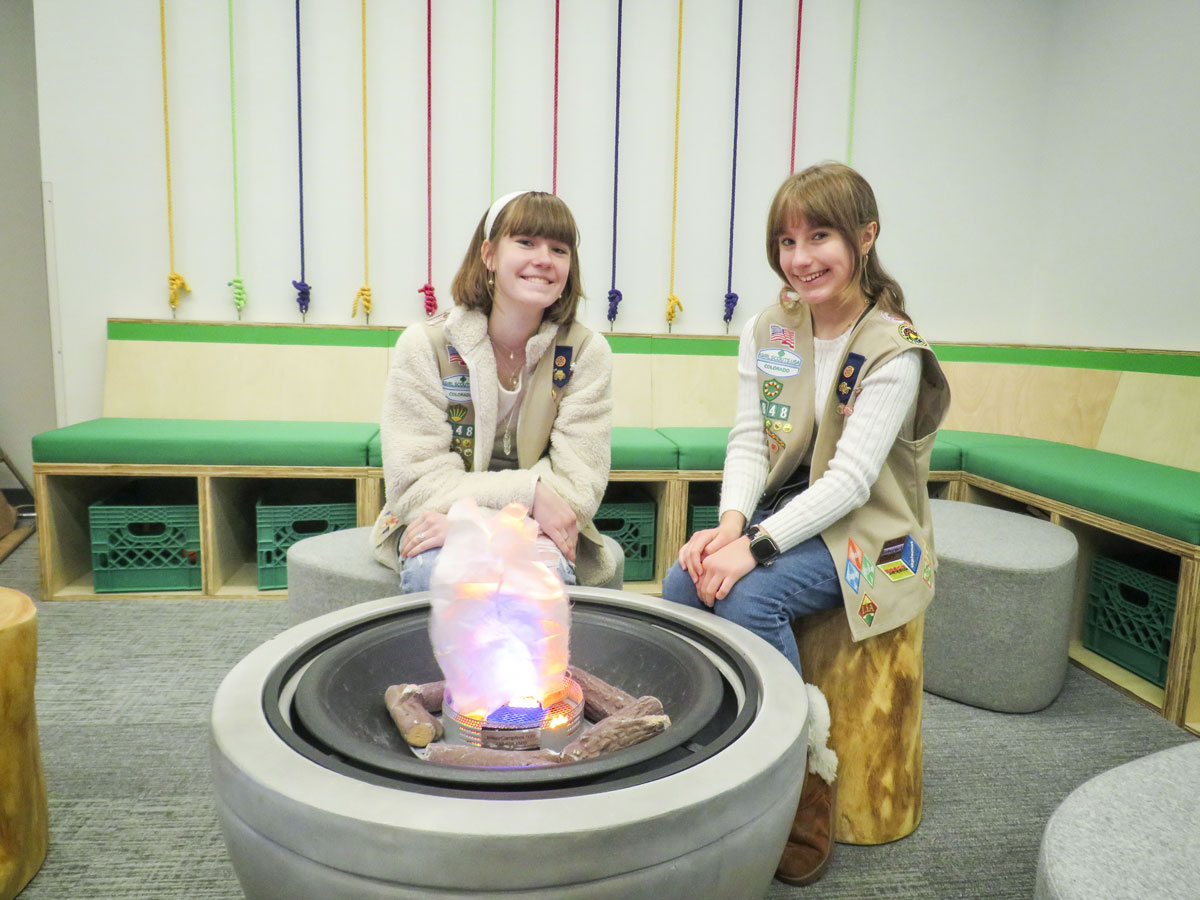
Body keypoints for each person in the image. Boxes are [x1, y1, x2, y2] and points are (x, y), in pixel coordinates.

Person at [662, 162, 950, 885]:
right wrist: (729, 527)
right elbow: (749, 439)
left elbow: (853, 483)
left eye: (819, 236)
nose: (801, 257)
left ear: (865, 236)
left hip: (877, 538)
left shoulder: (893, 347)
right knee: (681, 581)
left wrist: (754, 551)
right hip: (786, 512)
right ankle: (719, 750)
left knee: (754, 595)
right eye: (787, 241)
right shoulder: (773, 327)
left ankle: (801, 782)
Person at [370, 190, 615, 591]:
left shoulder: (585, 353)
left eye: (559, 249)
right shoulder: (425, 346)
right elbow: (414, 483)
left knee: (538, 580)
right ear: (489, 255)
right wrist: (529, 494)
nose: (544, 259)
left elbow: (577, 487)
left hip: (537, 529)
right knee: (443, 574)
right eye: (525, 242)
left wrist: (488, 522)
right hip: (438, 521)